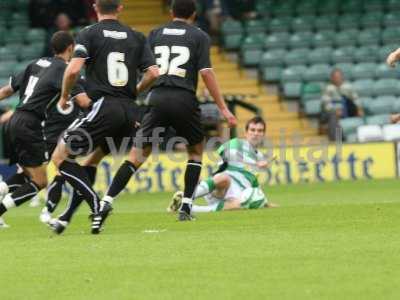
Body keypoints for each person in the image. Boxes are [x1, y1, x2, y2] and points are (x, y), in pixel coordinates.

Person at [99, 0, 237, 223]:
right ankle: (186, 207)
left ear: (171, 12)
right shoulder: (199, 36)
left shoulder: (155, 33)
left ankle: (107, 200)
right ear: (193, 14)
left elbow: (145, 69)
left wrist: (133, 92)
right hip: (184, 98)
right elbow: (207, 73)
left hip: (158, 97)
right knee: (195, 152)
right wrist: (223, 108)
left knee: (137, 155)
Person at [50, 0, 159, 234]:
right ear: (120, 8)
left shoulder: (88, 33)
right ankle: (66, 217)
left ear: (95, 7)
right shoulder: (136, 36)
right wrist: (135, 91)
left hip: (104, 107)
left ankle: (97, 205)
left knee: (60, 156)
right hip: (130, 111)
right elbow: (153, 73)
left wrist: (64, 96)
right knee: (91, 162)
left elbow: (72, 70)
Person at [0, 31, 90, 228]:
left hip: (14, 121)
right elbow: (83, 101)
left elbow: (7, 90)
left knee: (26, 173)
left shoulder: (36, 63)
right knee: (39, 182)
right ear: (70, 48)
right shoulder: (65, 70)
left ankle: (2, 191)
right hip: (30, 125)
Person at [168, 116, 276, 213]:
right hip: (219, 189)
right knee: (224, 178)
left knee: (243, 202)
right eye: (252, 130)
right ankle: (186, 197)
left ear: (263, 134)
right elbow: (224, 152)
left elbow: (255, 184)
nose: (256, 133)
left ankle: (191, 208)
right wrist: (255, 163)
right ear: (246, 132)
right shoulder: (237, 143)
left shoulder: (260, 157)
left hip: (235, 195)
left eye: (260, 131)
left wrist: (265, 202)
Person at [321, 69, 363, 141]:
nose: (337, 79)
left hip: (347, 109)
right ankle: (336, 139)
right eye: (335, 77)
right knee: (333, 117)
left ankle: (360, 138)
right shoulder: (328, 88)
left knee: (360, 113)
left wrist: (359, 108)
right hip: (332, 111)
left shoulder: (348, 87)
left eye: (339, 77)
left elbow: (356, 99)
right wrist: (334, 110)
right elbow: (326, 103)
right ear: (332, 78)